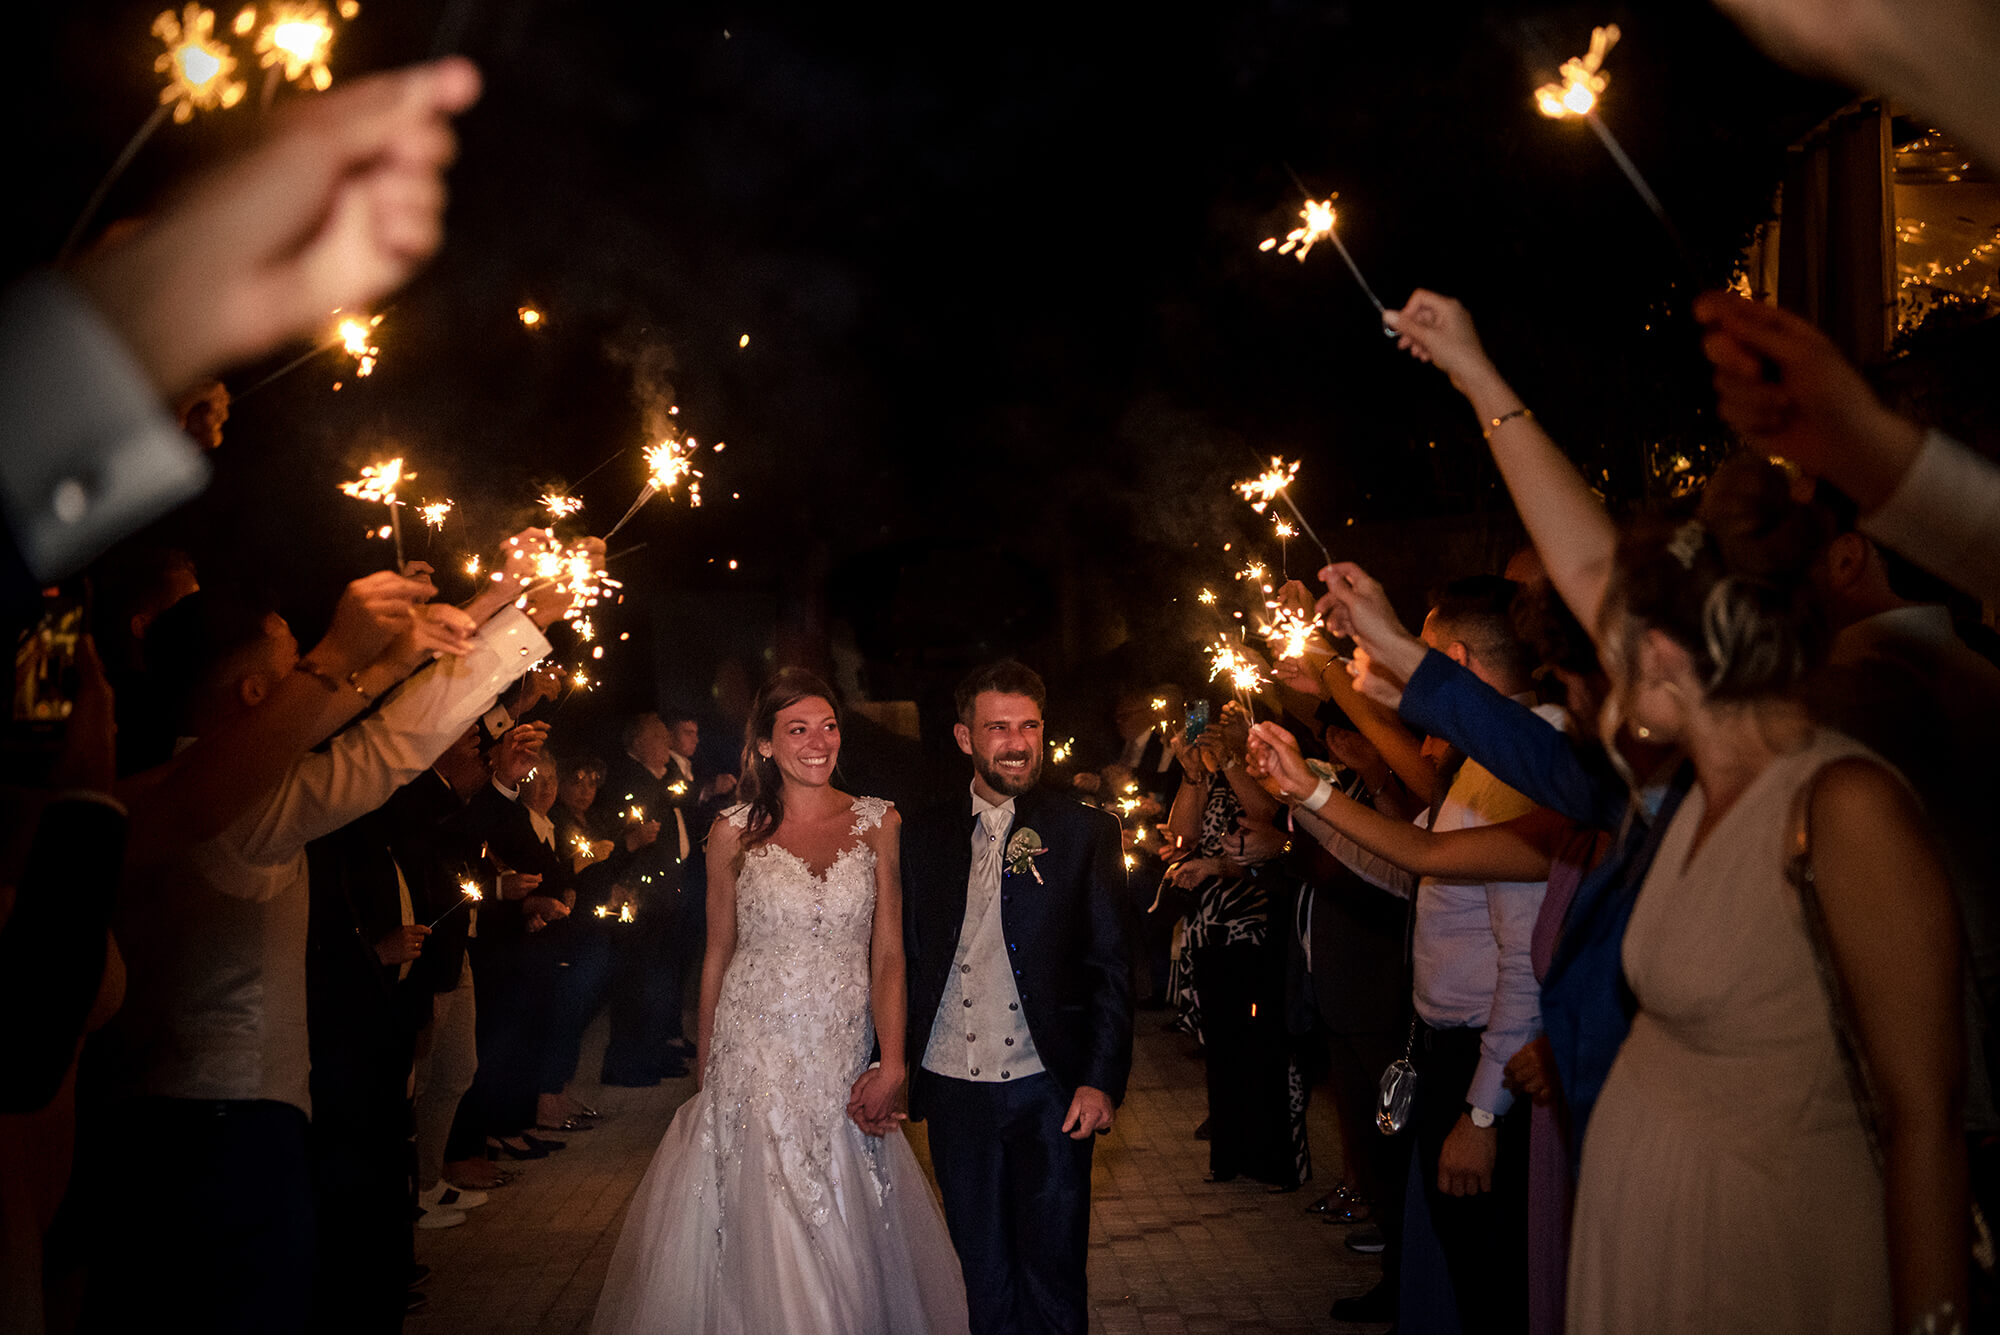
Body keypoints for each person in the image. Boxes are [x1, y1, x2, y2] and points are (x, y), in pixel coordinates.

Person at [591, 669, 968, 1334]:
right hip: (753, 1044)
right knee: (763, 1205)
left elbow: (888, 955)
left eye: (828, 726)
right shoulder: (731, 831)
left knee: (839, 1199)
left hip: (839, 1045)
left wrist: (893, 1061)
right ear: (765, 743)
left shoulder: (879, 821)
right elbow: (716, 953)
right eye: (798, 728)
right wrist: (708, 1072)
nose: (818, 741)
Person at [902, 660, 1133, 1335]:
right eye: (997, 726)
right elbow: (903, 957)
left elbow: (1110, 966)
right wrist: (888, 1062)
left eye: (1029, 725)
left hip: (1048, 1088)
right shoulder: (922, 835)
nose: (1016, 740)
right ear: (963, 736)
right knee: (984, 1274)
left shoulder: (1086, 830)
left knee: (1054, 1271)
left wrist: (1099, 1079)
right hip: (954, 1087)